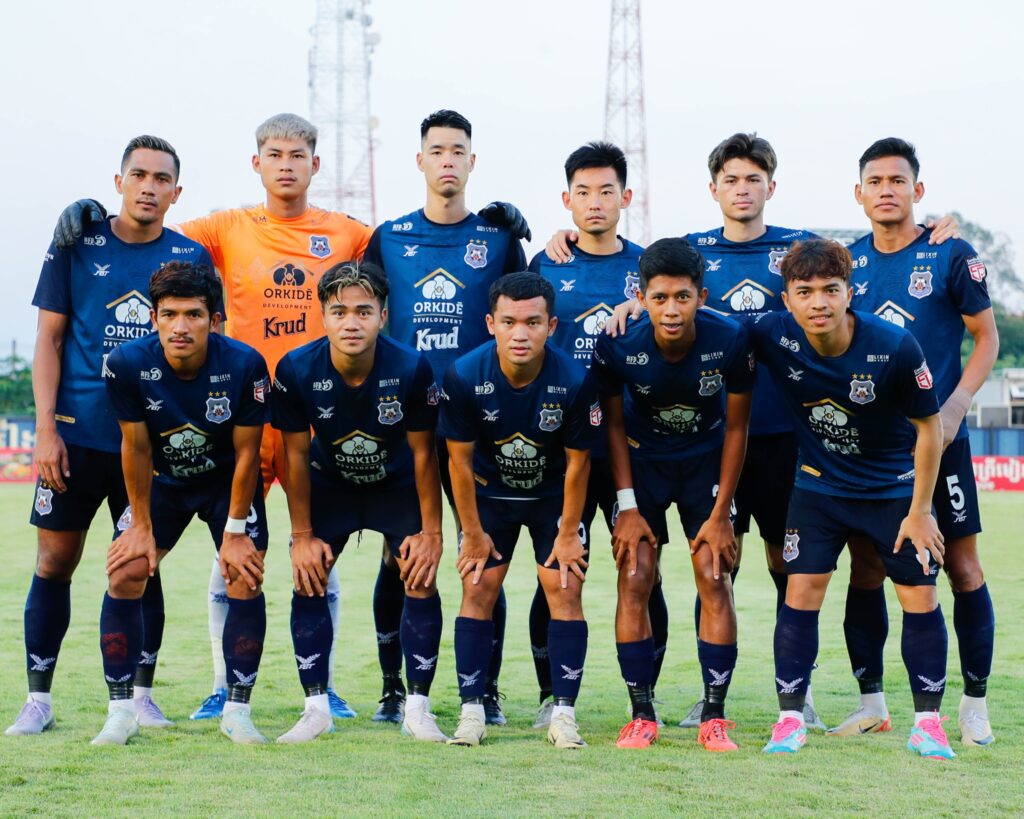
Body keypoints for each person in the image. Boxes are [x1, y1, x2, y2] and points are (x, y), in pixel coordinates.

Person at [6, 136, 212, 737]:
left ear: (177, 192)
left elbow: (203, 349)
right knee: (54, 561)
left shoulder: (190, 256)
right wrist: (46, 429)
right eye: (139, 175)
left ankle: (139, 696)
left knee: (140, 564)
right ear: (119, 181)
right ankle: (38, 699)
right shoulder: (76, 243)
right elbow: (49, 339)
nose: (149, 187)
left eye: (161, 178)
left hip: (147, 445)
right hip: (75, 438)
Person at [748, 239, 954, 760]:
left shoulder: (895, 345)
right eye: (805, 292)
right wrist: (634, 305)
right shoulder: (770, 333)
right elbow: (702, 324)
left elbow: (929, 429)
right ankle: (790, 719)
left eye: (830, 289)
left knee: (919, 596)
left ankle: (928, 724)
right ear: (787, 299)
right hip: (819, 487)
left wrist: (921, 510)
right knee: (801, 591)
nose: (818, 302)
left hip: (892, 490)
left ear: (849, 293)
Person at [831, 138, 999, 747]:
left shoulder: (950, 252)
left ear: (917, 190)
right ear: (858, 193)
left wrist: (956, 405)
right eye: (875, 181)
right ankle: (871, 702)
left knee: (961, 565)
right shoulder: (846, 263)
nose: (886, 190)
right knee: (867, 567)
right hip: (871, 450)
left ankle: (974, 703)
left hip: (941, 440)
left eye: (897, 181)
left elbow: (986, 338)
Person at [362, 109, 527, 725]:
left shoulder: (498, 237)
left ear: (472, 161)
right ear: (421, 160)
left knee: (483, 558)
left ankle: (485, 691)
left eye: (458, 150)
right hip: (406, 424)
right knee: (400, 556)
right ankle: (393, 688)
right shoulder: (389, 237)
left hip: (482, 424)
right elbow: (363, 316)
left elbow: (527, 309)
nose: (448, 160)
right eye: (437, 150)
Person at [95, 262, 271, 745]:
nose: (180, 326)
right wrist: (140, 525)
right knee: (126, 569)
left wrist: (235, 532)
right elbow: (136, 447)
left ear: (214, 319)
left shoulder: (245, 364)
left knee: (244, 575)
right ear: (153, 318)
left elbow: (248, 454)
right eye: (169, 314)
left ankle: (237, 711)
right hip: (163, 481)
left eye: (193, 314)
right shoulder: (127, 363)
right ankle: (122, 710)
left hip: (225, 482)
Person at [272, 260, 447, 744]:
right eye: (340, 312)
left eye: (364, 311)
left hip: (396, 486)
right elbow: (294, 455)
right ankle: (316, 708)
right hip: (331, 486)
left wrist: (431, 534)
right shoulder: (295, 368)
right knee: (309, 578)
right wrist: (301, 536)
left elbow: (425, 454)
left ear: (383, 316)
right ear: (323, 317)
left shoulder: (411, 367)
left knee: (419, 577)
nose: (352, 323)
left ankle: (417, 707)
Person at [527, 141, 669, 729]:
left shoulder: (648, 270)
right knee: (557, 571)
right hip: (564, 449)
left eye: (606, 191)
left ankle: (645, 697)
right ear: (566, 200)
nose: (594, 202)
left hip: (633, 445)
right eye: (582, 192)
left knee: (641, 570)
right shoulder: (546, 265)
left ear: (625, 197)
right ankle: (551, 697)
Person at [592, 238, 752, 751]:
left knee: (714, 574)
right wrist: (627, 505)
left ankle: (714, 716)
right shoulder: (618, 342)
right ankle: (641, 714)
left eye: (683, 297)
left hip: (705, 463)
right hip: (642, 465)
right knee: (634, 574)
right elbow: (612, 426)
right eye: (659, 298)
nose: (672, 310)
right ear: (641, 298)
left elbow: (737, 428)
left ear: (701, 296)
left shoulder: (730, 338)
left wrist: (722, 513)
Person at [439, 273, 598, 749]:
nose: (520, 333)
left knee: (565, 588)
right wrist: (471, 532)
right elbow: (458, 463)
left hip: (553, 499)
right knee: (477, 585)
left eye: (532, 322)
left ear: (551, 325)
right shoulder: (464, 374)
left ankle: (563, 714)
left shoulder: (575, 380)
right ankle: (472, 712)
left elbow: (579, 465)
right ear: (491, 323)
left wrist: (568, 532)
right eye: (509, 322)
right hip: (492, 496)